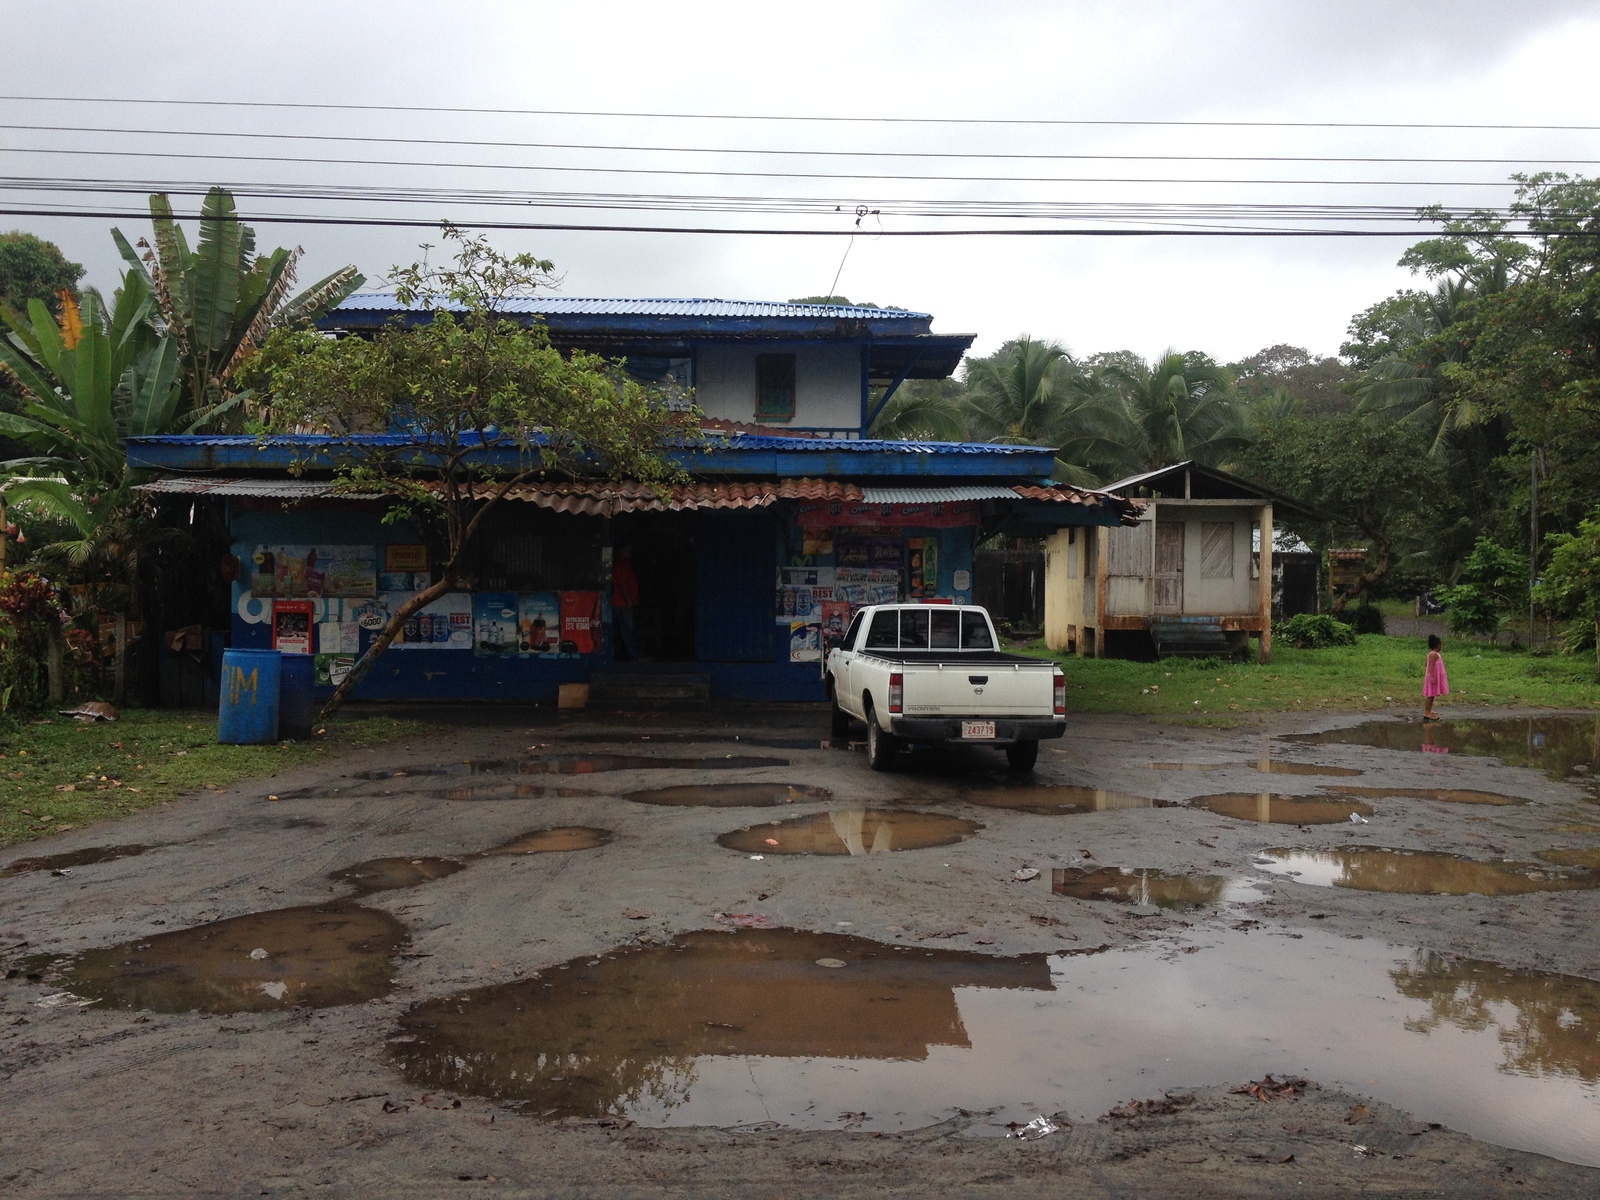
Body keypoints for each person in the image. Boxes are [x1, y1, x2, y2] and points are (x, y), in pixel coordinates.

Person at [612, 544, 643, 660]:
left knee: (627, 630)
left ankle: (634, 655)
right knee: (629, 630)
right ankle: (636, 656)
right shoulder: (622, 565)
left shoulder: (625, 565)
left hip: (622, 603)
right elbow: (622, 584)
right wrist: (628, 601)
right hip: (622, 603)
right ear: (621, 551)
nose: (630, 552)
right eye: (627, 549)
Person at [1423, 633, 1449, 721]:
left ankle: (1429, 710)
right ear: (1438, 645)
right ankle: (1427, 712)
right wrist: (1433, 677)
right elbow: (1430, 665)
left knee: (1432, 694)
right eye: (1441, 644)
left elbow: (1426, 664)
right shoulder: (1433, 654)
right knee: (1430, 695)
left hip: (1433, 677)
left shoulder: (1433, 654)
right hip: (1432, 678)